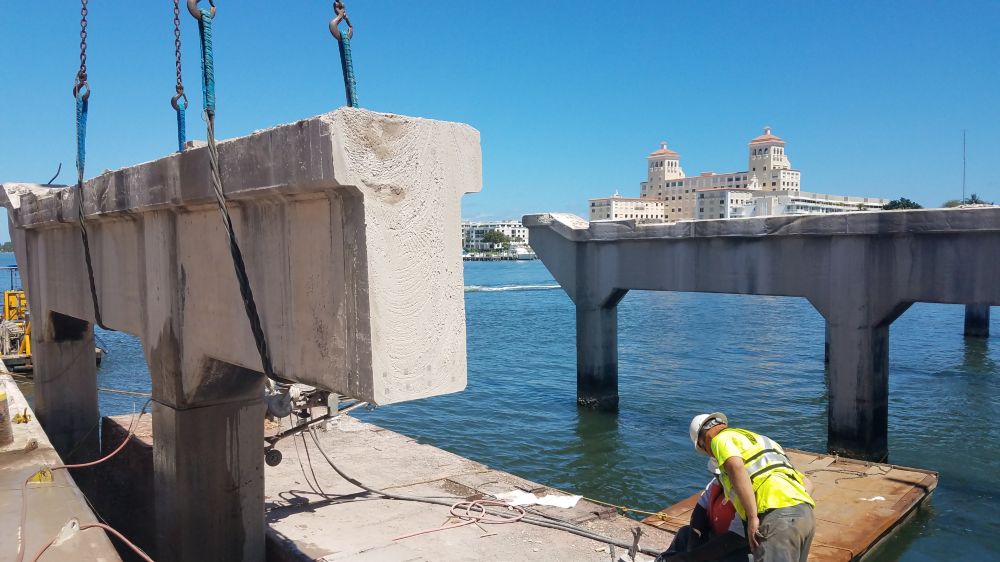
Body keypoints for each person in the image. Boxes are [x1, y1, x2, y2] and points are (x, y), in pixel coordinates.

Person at [688, 412, 815, 562]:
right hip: (805, 515)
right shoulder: (764, 441)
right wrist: (793, 510)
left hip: (777, 516)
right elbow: (807, 483)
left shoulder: (718, 440)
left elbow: (736, 467)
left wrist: (753, 517)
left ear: (703, 442)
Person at [655, 459, 749, 562]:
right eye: (717, 475)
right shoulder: (716, 483)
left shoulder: (746, 498)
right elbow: (698, 513)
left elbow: (733, 539)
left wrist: (690, 558)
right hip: (714, 537)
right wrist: (691, 548)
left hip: (734, 548)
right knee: (685, 533)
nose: (718, 478)